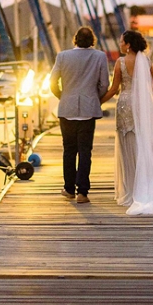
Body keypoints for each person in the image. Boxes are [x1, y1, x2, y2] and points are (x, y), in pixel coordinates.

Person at [101, 29, 153, 214]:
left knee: (127, 145)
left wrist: (97, 101)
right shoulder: (146, 62)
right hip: (143, 105)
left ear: (129, 44)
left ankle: (132, 190)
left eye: (122, 42)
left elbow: (114, 89)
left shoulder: (120, 63)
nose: (120, 45)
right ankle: (151, 185)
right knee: (145, 144)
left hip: (125, 105)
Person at [50, 25, 109, 204]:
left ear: (75, 39)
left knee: (69, 150)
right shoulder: (100, 56)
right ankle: (82, 192)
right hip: (88, 110)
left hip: (66, 109)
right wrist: (94, 99)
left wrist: (63, 96)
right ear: (92, 40)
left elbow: (52, 82)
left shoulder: (63, 56)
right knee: (85, 151)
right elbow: (104, 84)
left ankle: (68, 189)